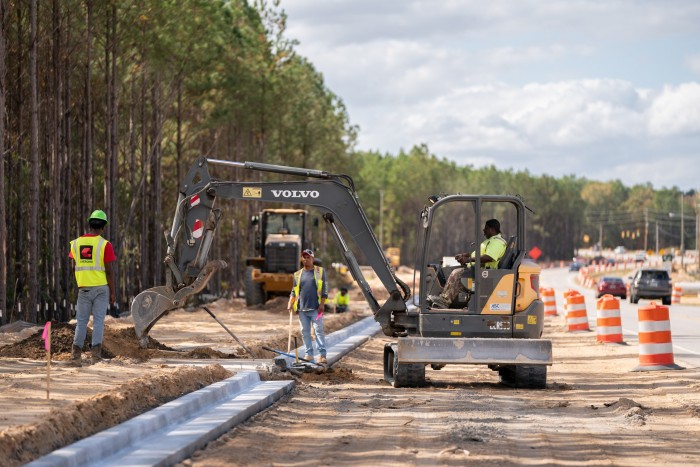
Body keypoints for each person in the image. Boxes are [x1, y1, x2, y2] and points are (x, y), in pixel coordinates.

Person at [69, 210, 117, 366]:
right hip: (101, 289)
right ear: (103, 226)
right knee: (98, 322)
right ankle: (95, 356)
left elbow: (75, 263)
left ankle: (75, 355)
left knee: (81, 322)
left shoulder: (76, 243)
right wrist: (113, 291)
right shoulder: (105, 245)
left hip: (83, 289)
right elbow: (109, 270)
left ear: (89, 223)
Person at [428, 218, 507, 309]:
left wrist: (468, 259)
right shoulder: (491, 241)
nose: (483, 230)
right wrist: (465, 255)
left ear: (492, 229)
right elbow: (481, 254)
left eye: (486, 228)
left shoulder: (497, 242)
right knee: (450, 270)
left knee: (456, 273)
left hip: (483, 274)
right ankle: (444, 298)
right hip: (478, 270)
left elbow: (489, 257)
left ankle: (444, 301)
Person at [287, 249, 328, 364]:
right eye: (304, 257)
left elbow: (324, 289)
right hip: (302, 309)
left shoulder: (320, 272)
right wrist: (290, 302)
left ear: (312, 259)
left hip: (317, 309)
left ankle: (322, 355)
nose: (306, 259)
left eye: (308, 257)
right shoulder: (297, 274)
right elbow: (294, 291)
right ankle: (309, 354)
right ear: (302, 259)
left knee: (318, 330)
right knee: (305, 332)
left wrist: (322, 304)